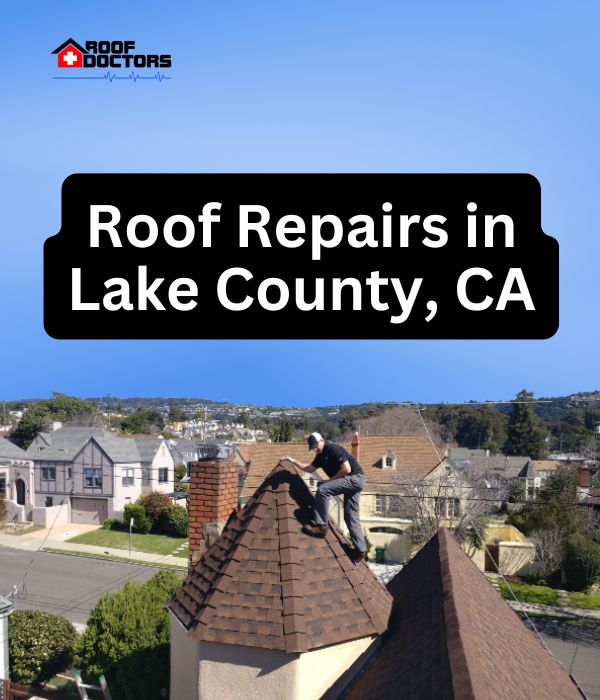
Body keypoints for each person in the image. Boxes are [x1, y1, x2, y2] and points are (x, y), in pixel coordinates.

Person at [287, 432, 367, 562]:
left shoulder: (332, 448)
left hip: (355, 478)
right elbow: (309, 468)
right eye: (312, 447)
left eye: (315, 446)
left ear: (321, 440)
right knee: (350, 516)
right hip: (354, 481)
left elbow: (346, 469)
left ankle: (321, 526)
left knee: (323, 489)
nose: (315, 449)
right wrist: (292, 461)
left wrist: (330, 481)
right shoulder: (320, 456)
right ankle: (360, 551)